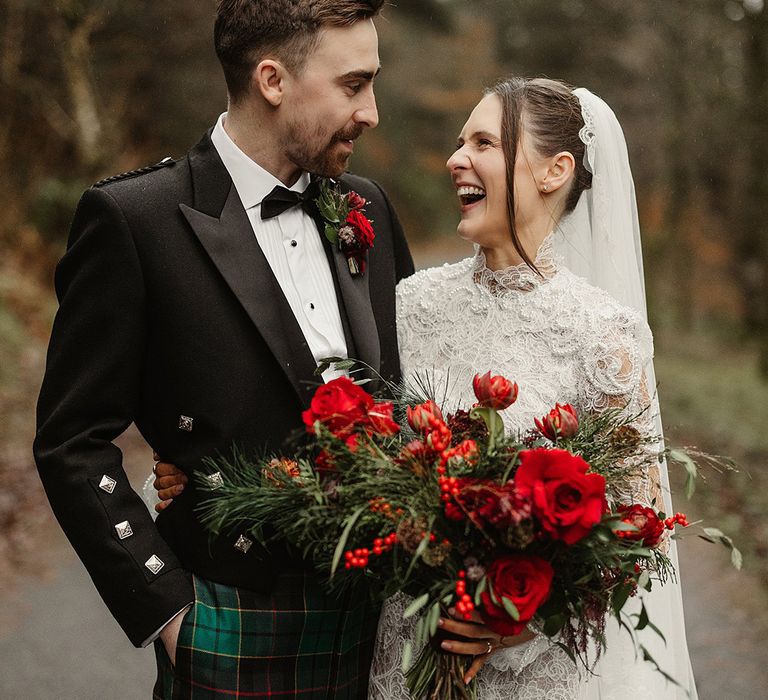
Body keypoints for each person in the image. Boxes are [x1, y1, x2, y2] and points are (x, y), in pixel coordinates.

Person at [153, 78, 698, 697]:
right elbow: (326, 419)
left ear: (555, 171)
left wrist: (524, 618)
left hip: (532, 670)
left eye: (484, 142)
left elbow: (635, 533)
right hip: (401, 652)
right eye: (459, 141)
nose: (455, 159)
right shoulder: (406, 306)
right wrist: (199, 469)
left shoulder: (607, 335)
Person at [33, 1, 413, 698]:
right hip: (231, 624)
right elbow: (71, 439)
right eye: (353, 85)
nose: (372, 112)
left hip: (380, 625)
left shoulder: (369, 209)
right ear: (273, 80)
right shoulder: (135, 220)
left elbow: (411, 400)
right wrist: (171, 613)